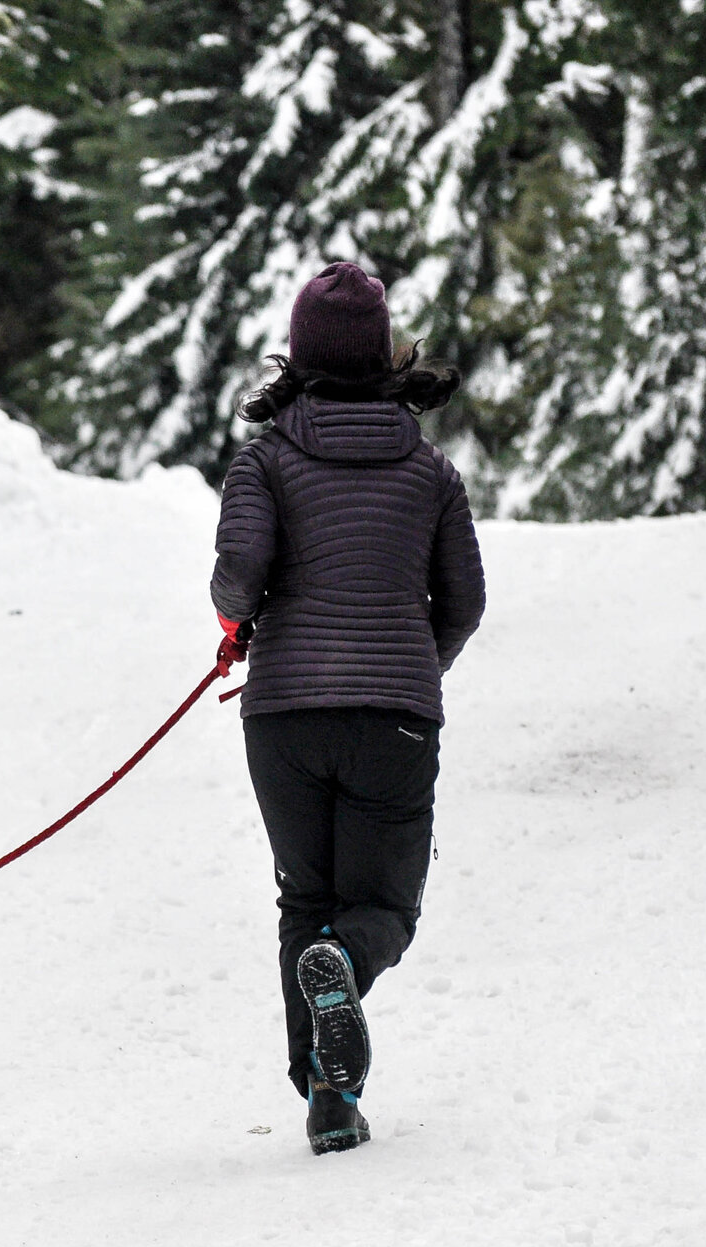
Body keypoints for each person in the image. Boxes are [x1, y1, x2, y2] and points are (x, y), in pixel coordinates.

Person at [209, 261, 486, 1155]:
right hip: (394, 719)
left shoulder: (265, 460)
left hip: (284, 717)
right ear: (383, 355)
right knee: (383, 908)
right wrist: (414, 667)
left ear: (297, 354)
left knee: (307, 899)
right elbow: (466, 601)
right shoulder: (432, 472)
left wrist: (240, 626)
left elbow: (238, 573)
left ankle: (328, 1100)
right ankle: (349, 978)